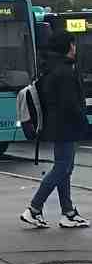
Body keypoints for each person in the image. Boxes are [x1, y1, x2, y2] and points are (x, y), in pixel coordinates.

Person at [20, 31, 90, 228]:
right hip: (66, 126)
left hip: (58, 125)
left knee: (65, 169)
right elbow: (70, 103)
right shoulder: (65, 71)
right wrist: (83, 122)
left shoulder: (52, 68)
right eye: (73, 45)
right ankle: (34, 208)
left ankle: (67, 213)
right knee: (62, 168)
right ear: (67, 47)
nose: (75, 48)